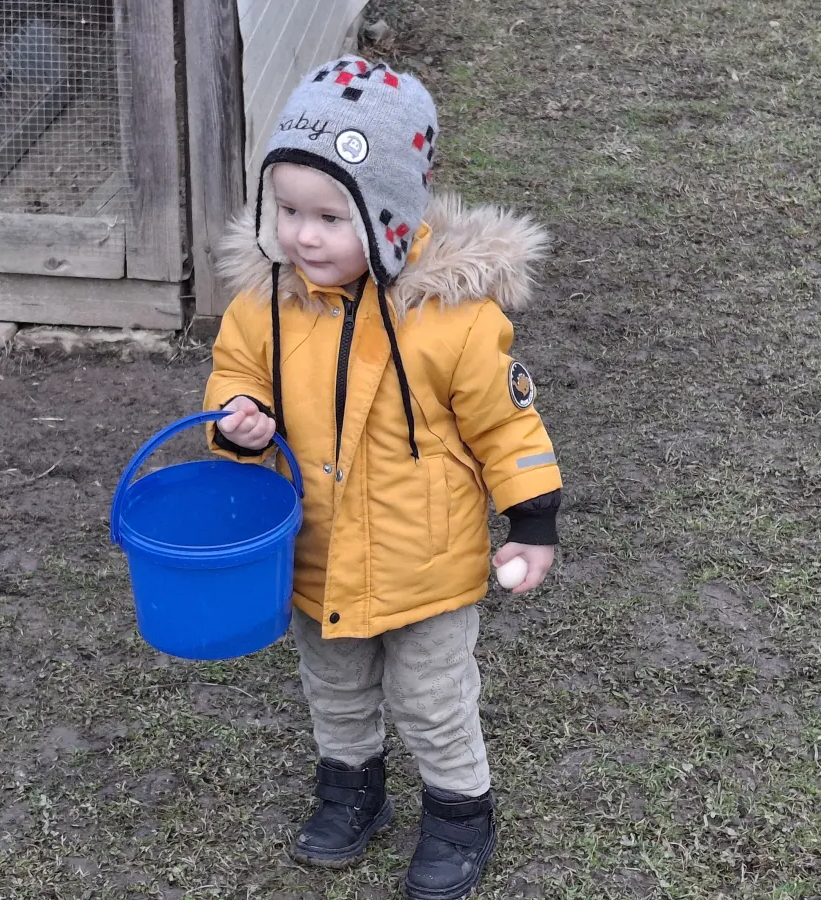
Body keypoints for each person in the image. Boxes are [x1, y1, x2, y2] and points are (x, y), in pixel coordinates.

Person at [202, 55, 562, 899]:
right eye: (288, 210)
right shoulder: (266, 304)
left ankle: (460, 812)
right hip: (317, 551)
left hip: (426, 563)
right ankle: (350, 788)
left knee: (433, 699)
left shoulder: (453, 322)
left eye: (331, 216)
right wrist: (242, 425)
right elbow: (233, 375)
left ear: (390, 216)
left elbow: (506, 427)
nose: (302, 235)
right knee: (334, 687)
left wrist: (534, 521)